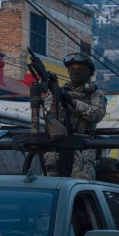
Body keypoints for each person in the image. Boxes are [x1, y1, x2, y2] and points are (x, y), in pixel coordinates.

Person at [43, 52, 106, 180]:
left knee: (82, 186)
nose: (75, 71)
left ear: (89, 71)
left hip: (82, 146)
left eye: (80, 69)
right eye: (72, 69)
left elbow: (97, 115)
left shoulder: (95, 93)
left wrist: (72, 101)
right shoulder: (58, 90)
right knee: (52, 184)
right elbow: (43, 112)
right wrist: (51, 110)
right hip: (57, 144)